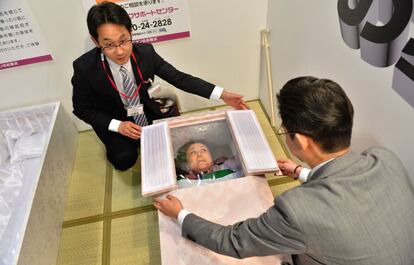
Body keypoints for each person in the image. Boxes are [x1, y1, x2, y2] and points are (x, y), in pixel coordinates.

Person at [154, 76, 414, 265]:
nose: (200, 154)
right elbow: (346, 192)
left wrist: (181, 214)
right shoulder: (385, 159)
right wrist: (301, 172)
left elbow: (231, 240)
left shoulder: (296, 210)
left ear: (300, 141)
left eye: (284, 131)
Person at [71, 2, 248, 171]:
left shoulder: (146, 53)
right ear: (96, 41)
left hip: (145, 111)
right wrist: (118, 126)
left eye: (124, 40)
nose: (119, 51)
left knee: (174, 149)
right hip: (113, 117)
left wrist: (222, 94)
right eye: (109, 45)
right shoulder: (85, 68)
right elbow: (81, 109)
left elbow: (180, 78)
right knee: (124, 160)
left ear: (131, 32)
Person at [175, 141, 243, 188]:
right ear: (187, 165)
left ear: (211, 158)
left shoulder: (226, 166)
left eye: (203, 150)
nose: (199, 154)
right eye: (193, 152)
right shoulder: (182, 182)